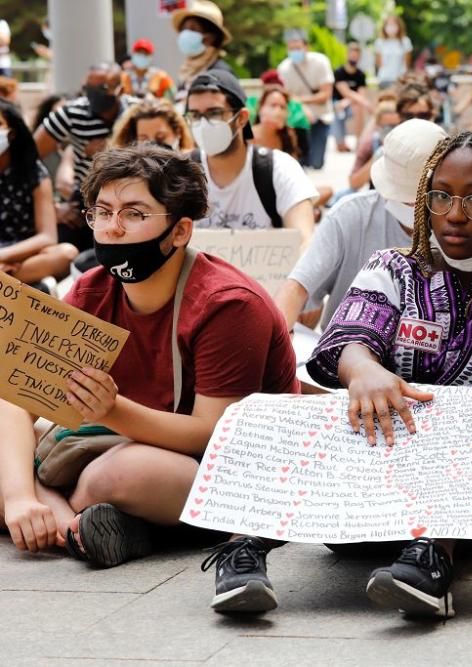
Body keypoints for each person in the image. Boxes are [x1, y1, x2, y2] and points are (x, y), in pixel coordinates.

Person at [203, 131, 472, 616]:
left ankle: (429, 566)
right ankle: (242, 555)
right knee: (277, 410)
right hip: (363, 489)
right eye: (442, 195)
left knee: (463, 420)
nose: (454, 213)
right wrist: (363, 370)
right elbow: (348, 337)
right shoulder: (394, 266)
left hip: (467, 498)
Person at [0, 145, 298, 565]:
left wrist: (111, 409)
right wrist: (16, 498)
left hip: (226, 470)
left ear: (180, 231)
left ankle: (60, 516)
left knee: (119, 474)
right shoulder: (92, 288)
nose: (112, 228)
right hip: (116, 445)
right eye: (102, 212)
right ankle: (76, 526)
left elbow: (212, 432)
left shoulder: (227, 303)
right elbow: (17, 398)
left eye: (134, 214)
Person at [275, 118, 446, 332]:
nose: (410, 206)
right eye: (403, 198)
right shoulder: (350, 215)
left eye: (417, 199)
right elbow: (297, 286)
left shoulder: (464, 230)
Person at [183, 71, 317, 242]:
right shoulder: (181, 173)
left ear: (242, 118)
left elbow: (304, 241)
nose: (203, 124)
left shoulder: (280, 169)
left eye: (214, 113)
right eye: (195, 115)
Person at [34, 62, 140, 251]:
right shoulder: (72, 113)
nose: (93, 94)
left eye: (102, 88)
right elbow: (28, 157)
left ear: (120, 89)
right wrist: (52, 207)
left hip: (134, 197)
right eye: (88, 88)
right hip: (86, 201)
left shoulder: (137, 113)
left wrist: (110, 149)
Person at [0, 101, 78, 285]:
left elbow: (47, 237)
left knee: (66, 254)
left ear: (12, 133)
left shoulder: (34, 172)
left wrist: (3, 257)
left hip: (23, 256)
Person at [350, 84, 431, 193]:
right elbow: (354, 183)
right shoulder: (371, 144)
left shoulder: (425, 143)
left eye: (395, 126)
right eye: (386, 127)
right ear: (378, 125)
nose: (391, 131)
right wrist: (378, 157)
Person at [277, 29, 334, 170]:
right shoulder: (283, 68)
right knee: (299, 163)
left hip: (320, 118)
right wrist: (302, 110)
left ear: (306, 47)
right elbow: (285, 96)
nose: (295, 52)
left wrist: (301, 101)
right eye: (291, 49)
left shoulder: (321, 62)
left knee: (316, 163)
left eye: (298, 48)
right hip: (297, 120)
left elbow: (325, 95)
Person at [172, 0, 234, 103]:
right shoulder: (186, 72)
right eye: (183, 29)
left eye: (192, 28)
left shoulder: (220, 74)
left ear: (209, 38)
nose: (185, 34)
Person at [109, 100, 195, 151]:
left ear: (178, 132)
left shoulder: (198, 165)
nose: (153, 146)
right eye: (144, 140)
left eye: (160, 138)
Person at [332, 42, 372, 153]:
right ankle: (340, 142)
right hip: (338, 103)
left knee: (359, 107)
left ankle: (359, 141)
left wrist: (348, 101)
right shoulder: (339, 72)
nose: (354, 57)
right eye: (352, 54)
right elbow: (345, 92)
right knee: (338, 108)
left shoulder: (361, 75)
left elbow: (361, 94)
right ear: (347, 55)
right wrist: (366, 103)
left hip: (351, 104)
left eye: (356, 55)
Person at [251, 86, 300, 160]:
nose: (278, 111)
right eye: (273, 105)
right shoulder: (246, 137)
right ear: (261, 107)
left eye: (282, 107)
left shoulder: (288, 136)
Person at [374, 15, 413, 89]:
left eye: (394, 24)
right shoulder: (379, 42)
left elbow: (407, 63)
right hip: (384, 79)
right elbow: (378, 63)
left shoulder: (405, 41)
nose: (391, 27)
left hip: (400, 79)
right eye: (389, 24)